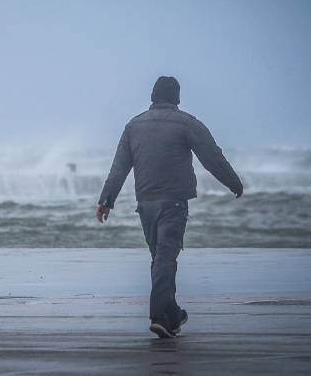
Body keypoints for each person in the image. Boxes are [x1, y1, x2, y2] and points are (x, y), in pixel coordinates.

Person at [96, 76, 243, 338]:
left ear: (153, 96)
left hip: (145, 203)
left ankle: (171, 315)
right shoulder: (186, 123)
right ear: (176, 97)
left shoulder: (133, 125)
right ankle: (158, 315)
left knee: (161, 259)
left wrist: (106, 200)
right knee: (165, 258)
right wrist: (233, 183)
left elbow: (119, 168)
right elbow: (212, 157)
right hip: (174, 202)